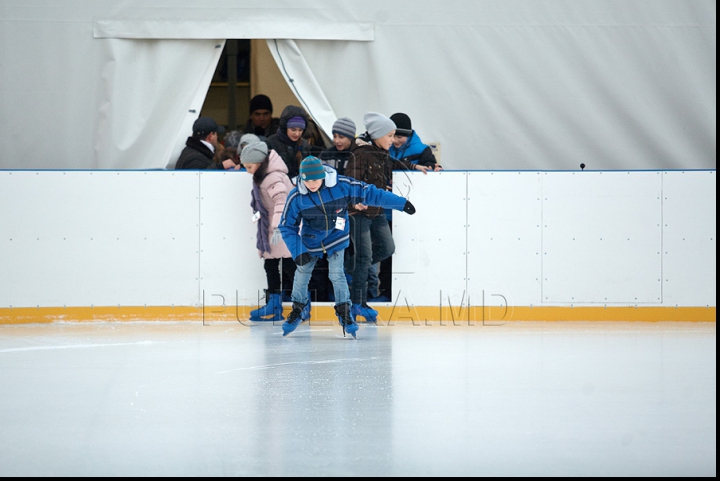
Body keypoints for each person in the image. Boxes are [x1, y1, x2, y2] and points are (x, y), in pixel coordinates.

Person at [278, 156, 416, 338]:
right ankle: (298, 309)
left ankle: (344, 311)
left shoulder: (341, 185)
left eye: (315, 180)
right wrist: (298, 251)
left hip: (336, 237)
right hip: (310, 241)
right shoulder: (296, 196)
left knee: (337, 274)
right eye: (307, 180)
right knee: (302, 273)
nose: (311, 184)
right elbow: (287, 226)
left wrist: (400, 203)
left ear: (322, 176)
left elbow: (370, 193)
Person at [345, 112, 429, 321]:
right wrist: (355, 200)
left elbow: (394, 164)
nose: (393, 140)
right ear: (378, 135)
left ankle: (354, 271)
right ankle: (358, 304)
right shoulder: (361, 154)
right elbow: (349, 181)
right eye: (390, 135)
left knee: (387, 248)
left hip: (377, 213)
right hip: (359, 214)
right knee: (364, 257)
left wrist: (415, 166)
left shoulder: (382, 154)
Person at [241, 142, 297, 321]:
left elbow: (282, 200)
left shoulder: (272, 178)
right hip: (272, 227)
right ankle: (274, 305)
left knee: (290, 267)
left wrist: (278, 226)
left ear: (259, 163)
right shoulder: (263, 176)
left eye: (249, 167)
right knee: (271, 265)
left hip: (283, 227)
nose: (248, 171)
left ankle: (301, 305)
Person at [265, 105, 312, 180]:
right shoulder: (271, 142)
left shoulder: (304, 144)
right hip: (278, 184)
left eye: (300, 130)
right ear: (285, 127)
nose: (297, 134)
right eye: (293, 130)